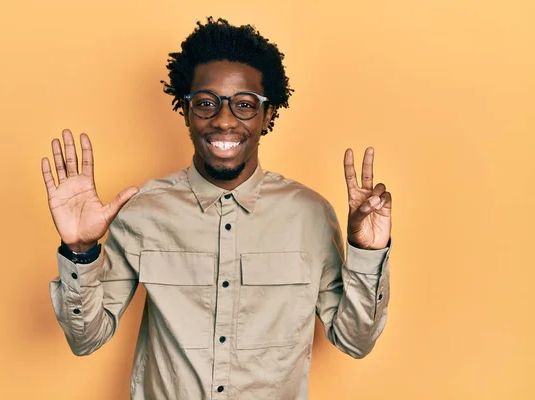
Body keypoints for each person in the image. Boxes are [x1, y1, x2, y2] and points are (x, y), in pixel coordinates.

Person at [42, 17, 392, 400]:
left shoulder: (310, 215)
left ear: (268, 114)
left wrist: (368, 253)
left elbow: (355, 342)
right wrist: (80, 251)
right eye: (206, 103)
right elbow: (85, 339)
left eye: (244, 105)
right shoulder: (142, 212)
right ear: (186, 110)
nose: (224, 120)